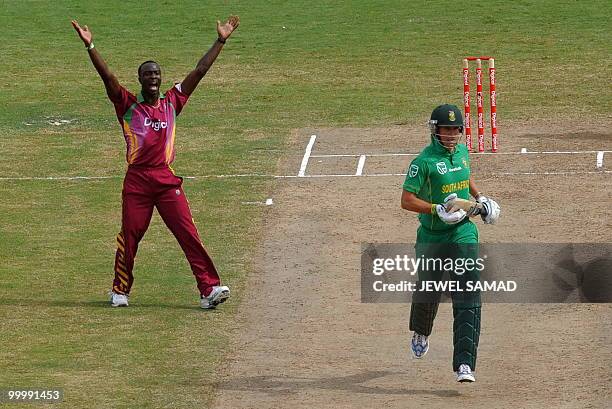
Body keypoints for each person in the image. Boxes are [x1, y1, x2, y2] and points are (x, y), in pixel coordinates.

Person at [71, 16, 240, 309]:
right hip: (137, 181)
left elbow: (199, 71)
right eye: (147, 74)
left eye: (156, 74)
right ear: (140, 80)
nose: (153, 78)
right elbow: (108, 77)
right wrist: (91, 46)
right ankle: (119, 290)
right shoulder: (127, 104)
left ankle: (208, 290)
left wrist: (221, 40)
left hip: (164, 179)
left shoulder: (172, 102)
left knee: (188, 233)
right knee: (130, 235)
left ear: (160, 79)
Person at [400, 104, 500, 382]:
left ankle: (464, 364)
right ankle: (421, 330)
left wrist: (480, 199)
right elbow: (406, 200)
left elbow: (464, 179)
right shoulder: (423, 162)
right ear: (435, 131)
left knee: (467, 286)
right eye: (446, 129)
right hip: (432, 235)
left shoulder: (463, 153)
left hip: (463, 231)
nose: (452, 135)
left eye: (456, 130)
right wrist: (436, 210)